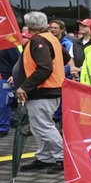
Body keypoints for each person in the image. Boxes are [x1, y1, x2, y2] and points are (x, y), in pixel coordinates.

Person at [16, 11, 68, 174]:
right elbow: (64, 57)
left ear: (29, 26)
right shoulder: (51, 38)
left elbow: (45, 68)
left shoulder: (38, 40)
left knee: (44, 126)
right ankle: (44, 157)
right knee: (40, 126)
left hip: (43, 90)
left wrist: (25, 87)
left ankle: (62, 158)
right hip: (50, 89)